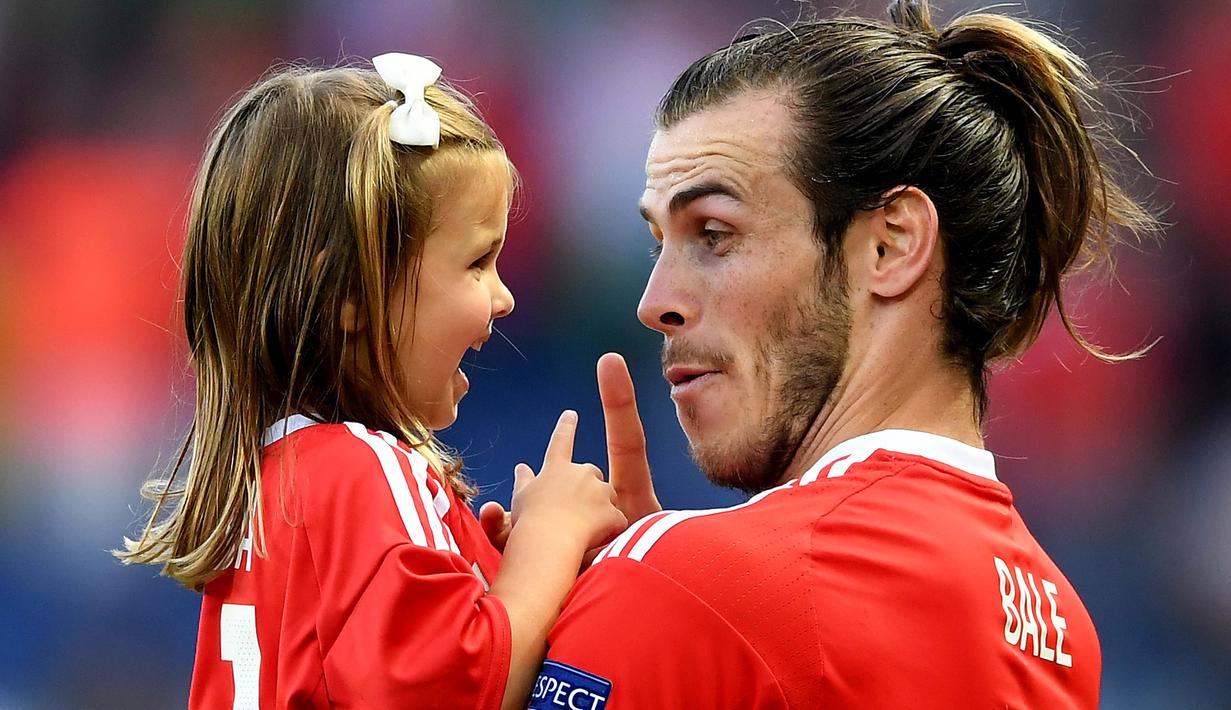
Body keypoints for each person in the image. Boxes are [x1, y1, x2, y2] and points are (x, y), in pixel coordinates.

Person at [531, 1, 1160, 707]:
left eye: (713, 233)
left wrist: (547, 608)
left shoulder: (702, 583)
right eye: (659, 243)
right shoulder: (1055, 621)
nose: (654, 302)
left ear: (890, 246)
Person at [115, 53, 629, 709]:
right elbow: (467, 687)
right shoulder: (364, 470)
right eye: (477, 262)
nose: (503, 298)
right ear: (352, 292)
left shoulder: (279, 487)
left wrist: (486, 570)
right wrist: (548, 542)